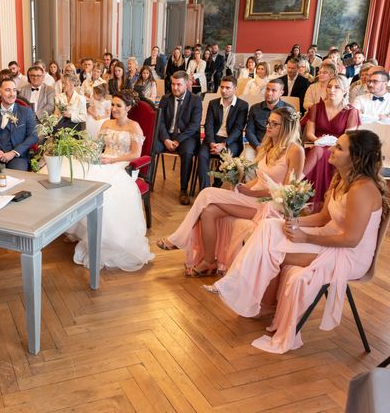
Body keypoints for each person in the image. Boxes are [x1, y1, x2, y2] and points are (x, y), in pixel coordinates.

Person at [208, 130, 386, 354]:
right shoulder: (342, 179)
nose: (330, 149)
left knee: (274, 251)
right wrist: (294, 221)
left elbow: (351, 239)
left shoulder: (363, 189)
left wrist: (305, 236)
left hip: (349, 254)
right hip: (328, 238)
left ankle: (252, 296)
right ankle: (239, 286)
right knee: (271, 224)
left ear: (357, 157)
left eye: (339, 148)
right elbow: (323, 217)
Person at [157, 106, 304, 276]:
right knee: (208, 212)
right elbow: (260, 178)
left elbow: (288, 191)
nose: (268, 126)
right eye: (268, 122)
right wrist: (242, 188)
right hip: (253, 197)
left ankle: (178, 238)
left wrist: (252, 193)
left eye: (274, 124)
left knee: (206, 193)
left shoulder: (295, 151)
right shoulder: (268, 146)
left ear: (286, 127)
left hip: (271, 206)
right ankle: (209, 262)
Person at [45, 90, 154, 271]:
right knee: (76, 174)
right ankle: (79, 227)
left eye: (119, 106)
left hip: (122, 166)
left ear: (128, 108)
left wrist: (112, 160)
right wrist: (87, 153)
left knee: (105, 189)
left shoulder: (134, 127)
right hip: (103, 161)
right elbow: (97, 147)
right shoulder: (106, 124)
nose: (114, 108)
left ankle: (105, 236)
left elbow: (136, 154)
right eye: (113, 104)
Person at [304, 76, 360, 212]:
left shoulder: (351, 111)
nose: (332, 90)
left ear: (345, 91)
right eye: (329, 86)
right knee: (318, 151)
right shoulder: (316, 107)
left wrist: (332, 143)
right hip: (317, 144)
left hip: (339, 147)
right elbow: (309, 133)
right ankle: (317, 201)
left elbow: (348, 137)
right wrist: (319, 140)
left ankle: (299, 188)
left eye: (337, 87)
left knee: (320, 153)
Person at [156, 71, 203, 205]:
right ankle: (147, 180)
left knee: (187, 152)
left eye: (179, 85)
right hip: (167, 135)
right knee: (152, 146)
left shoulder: (195, 100)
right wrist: (165, 139)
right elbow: (160, 122)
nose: (175, 88)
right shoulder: (165, 99)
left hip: (186, 136)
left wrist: (177, 140)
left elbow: (194, 125)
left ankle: (183, 189)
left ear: (187, 84)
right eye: (173, 84)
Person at [197, 76, 249, 189]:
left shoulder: (243, 105)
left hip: (231, 141)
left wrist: (224, 144)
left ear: (235, 89)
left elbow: (238, 128)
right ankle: (204, 189)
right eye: (222, 87)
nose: (224, 90)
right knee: (202, 156)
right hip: (213, 138)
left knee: (226, 158)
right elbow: (208, 125)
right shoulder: (213, 103)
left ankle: (215, 187)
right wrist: (211, 142)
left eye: (228, 88)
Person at [244, 79, 288, 160]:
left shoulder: (287, 109)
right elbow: (249, 131)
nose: (269, 93)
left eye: (273, 90)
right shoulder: (255, 108)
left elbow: (290, 133)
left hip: (280, 146)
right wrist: (258, 147)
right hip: (258, 144)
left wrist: (278, 148)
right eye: (267, 89)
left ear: (281, 93)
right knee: (246, 160)